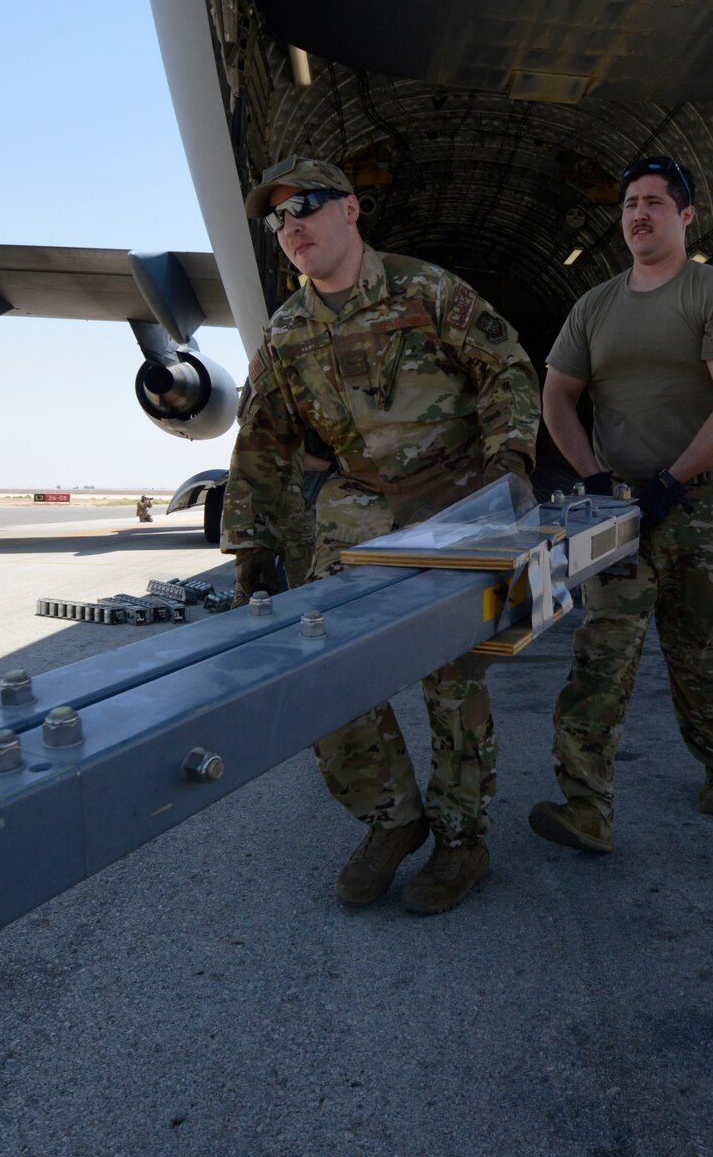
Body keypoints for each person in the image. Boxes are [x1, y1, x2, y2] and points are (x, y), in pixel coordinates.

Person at [221, 155, 539, 913]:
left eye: (307, 206)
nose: (292, 225)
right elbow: (260, 440)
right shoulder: (290, 331)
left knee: (456, 679)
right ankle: (394, 819)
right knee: (323, 667)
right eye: (278, 218)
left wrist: (514, 461)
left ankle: (464, 843)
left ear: (352, 210)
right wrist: (253, 542)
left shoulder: (426, 290)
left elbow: (509, 370)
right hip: (359, 508)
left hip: (464, 504)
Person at [529, 154, 713, 855]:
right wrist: (595, 477)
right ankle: (586, 806)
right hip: (618, 509)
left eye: (655, 203)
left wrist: (674, 479)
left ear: (685, 216)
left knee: (703, 655)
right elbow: (557, 396)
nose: (638, 213)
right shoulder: (595, 306)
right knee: (601, 653)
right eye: (630, 202)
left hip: (702, 504)